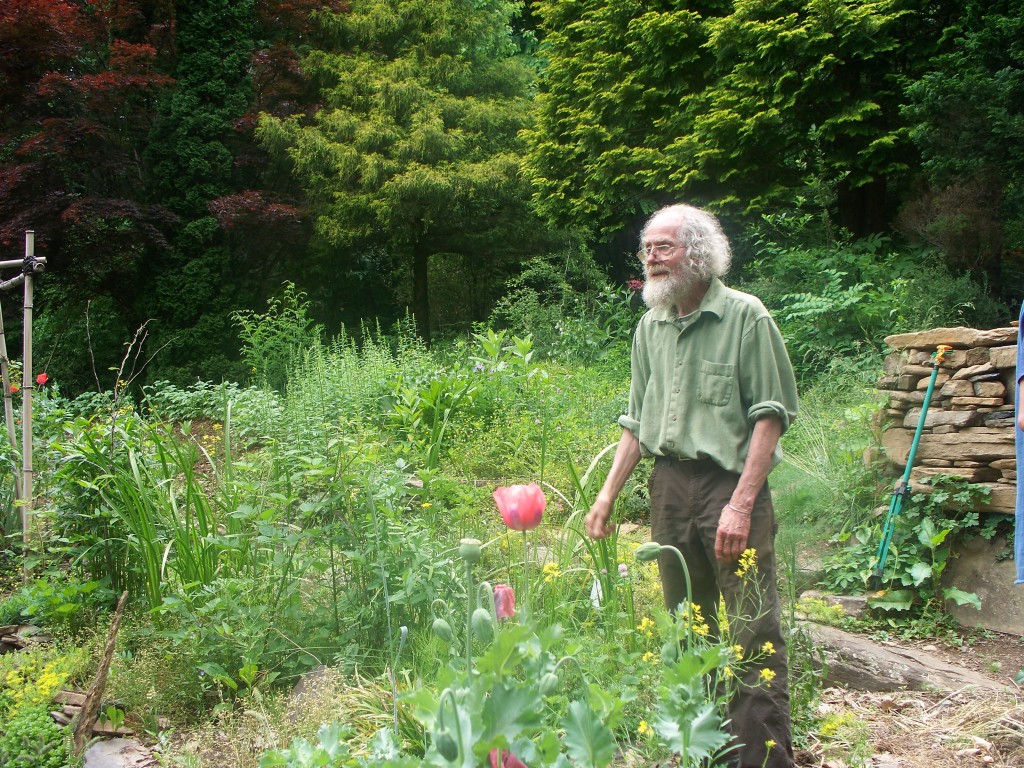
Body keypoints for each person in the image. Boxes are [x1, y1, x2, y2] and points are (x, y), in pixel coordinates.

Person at [585, 204, 799, 768]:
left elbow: (771, 415)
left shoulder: (747, 317)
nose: (651, 259)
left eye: (664, 247)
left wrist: (741, 502)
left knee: (753, 625)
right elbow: (635, 421)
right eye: (646, 249)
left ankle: (761, 760)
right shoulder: (650, 327)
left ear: (698, 253)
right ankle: (704, 750)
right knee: (688, 622)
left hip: (731, 487)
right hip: (669, 487)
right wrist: (606, 496)